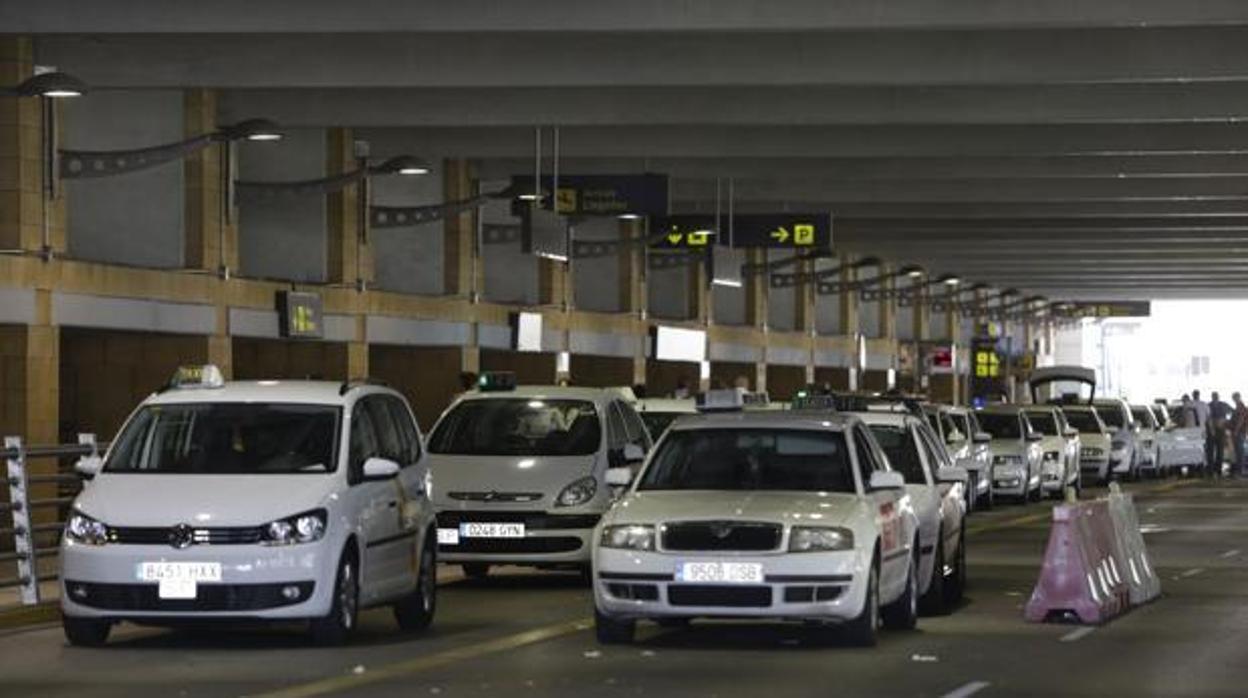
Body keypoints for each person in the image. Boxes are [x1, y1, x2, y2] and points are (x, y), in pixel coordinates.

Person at [1208, 391, 1232, 478]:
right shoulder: (1208, 405)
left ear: (1218, 397)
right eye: (1214, 396)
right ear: (1212, 397)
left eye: (1216, 396)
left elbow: (1232, 412)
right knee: (1210, 452)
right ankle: (1211, 471)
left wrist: (1225, 421)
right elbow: (1206, 417)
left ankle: (1218, 471)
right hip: (1211, 431)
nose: (1215, 397)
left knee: (1220, 452)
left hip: (1221, 431)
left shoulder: (1224, 404)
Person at [1233, 393, 1248, 477]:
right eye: (1233, 398)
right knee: (1239, 452)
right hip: (1240, 432)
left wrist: (1236, 430)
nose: (1234, 400)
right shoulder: (1239, 407)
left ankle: (1241, 471)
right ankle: (1240, 471)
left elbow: (1241, 420)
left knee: (1240, 452)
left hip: (1240, 432)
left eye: (1235, 398)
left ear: (1238, 397)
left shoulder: (1241, 407)